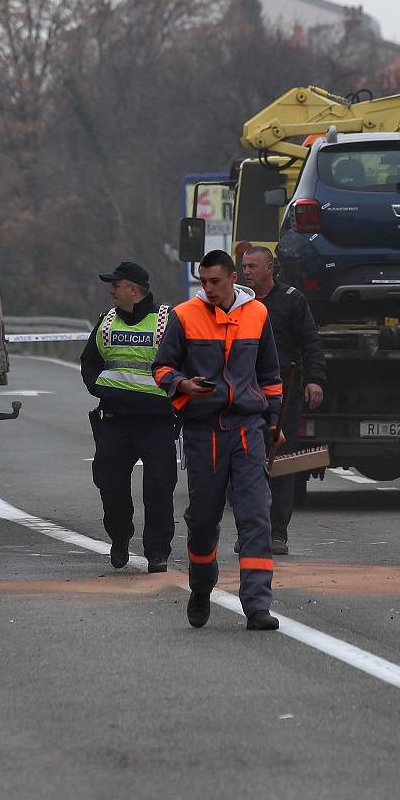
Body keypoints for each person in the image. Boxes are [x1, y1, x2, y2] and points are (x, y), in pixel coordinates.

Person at [153, 249, 284, 633]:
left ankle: (258, 605)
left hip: (247, 430)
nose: (208, 289)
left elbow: (270, 374)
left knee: (256, 516)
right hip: (204, 431)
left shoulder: (257, 314)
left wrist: (273, 421)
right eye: (203, 281)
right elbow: (161, 367)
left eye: (215, 282)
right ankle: (201, 585)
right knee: (204, 519)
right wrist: (183, 385)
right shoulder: (183, 316)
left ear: (232, 280)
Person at [79, 260, 177, 571]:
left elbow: (184, 365)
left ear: (134, 290)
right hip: (115, 421)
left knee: (159, 489)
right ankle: (120, 538)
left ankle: (158, 551)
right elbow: (89, 363)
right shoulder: (106, 322)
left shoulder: (166, 321)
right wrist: (102, 389)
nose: (111, 290)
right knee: (109, 485)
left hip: (157, 422)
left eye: (116, 285)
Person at [239, 246, 326, 556]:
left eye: (252, 266)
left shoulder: (291, 300)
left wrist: (315, 379)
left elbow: (310, 342)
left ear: (269, 268)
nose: (246, 271)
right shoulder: (238, 302)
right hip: (244, 394)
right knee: (246, 466)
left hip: (283, 394)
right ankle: (248, 530)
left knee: (281, 463)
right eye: (244, 266)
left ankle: (278, 533)